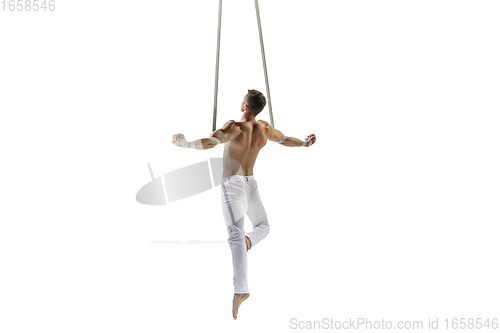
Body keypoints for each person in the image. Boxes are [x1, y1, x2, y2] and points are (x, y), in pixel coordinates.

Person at [172, 89, 316, 319]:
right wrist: (304, 144)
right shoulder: (265, 128)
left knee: (235, 235)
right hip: (251, 183)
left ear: (245, 107)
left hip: (234, 185)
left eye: (242, 100)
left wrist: (187, 144)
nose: (240, 102)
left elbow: (212, 142)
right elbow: (284, 139)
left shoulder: (234, 127)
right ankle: (248, 242)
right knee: (263, 226)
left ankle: (241, 290)